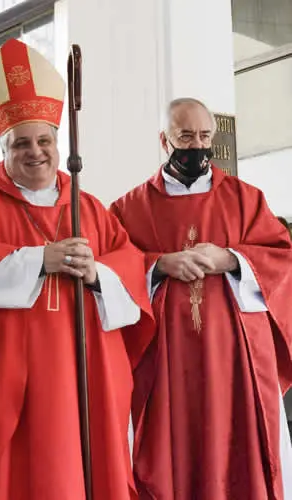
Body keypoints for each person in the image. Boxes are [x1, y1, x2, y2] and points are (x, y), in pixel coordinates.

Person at [0, 38, 154, 500]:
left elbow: (130, 269)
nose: (36, 152)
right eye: (21, 143)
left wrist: (96, 273)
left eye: (45, 140)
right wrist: (38, 260)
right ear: (4, 147)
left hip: (85, 374)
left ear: (57, 141)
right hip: (13, 385)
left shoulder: (87, 206)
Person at [111, 97, 292, 500]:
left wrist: (229, 258)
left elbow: (283, 259)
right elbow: (111, 270)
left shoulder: (247, 199)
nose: (197, 147)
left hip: (234, 364)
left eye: (205, 136)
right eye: (185, 137)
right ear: (164, 140)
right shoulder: (128, 209)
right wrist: (159, 265)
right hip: (165, 363)